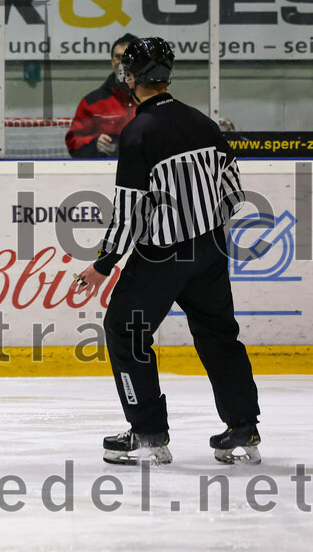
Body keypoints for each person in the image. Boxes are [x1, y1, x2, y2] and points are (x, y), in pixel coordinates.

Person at [74, 36, 261, 466]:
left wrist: (104, 263)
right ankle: (243, 427)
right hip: (210, 250)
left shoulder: (138, 132)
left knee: (125, 331)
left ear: (130, 78)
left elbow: (129, 212)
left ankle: (148, 432)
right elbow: (233, 195)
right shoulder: (203, 122)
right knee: (219, 336)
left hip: (161, 257)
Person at [65, 33, 139, 158]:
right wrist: (94, 143)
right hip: (106, 173)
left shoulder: (153, 100)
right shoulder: (92, 103)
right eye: (118, 57)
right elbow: (73, 140)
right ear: (112, 61)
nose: (122, 62)